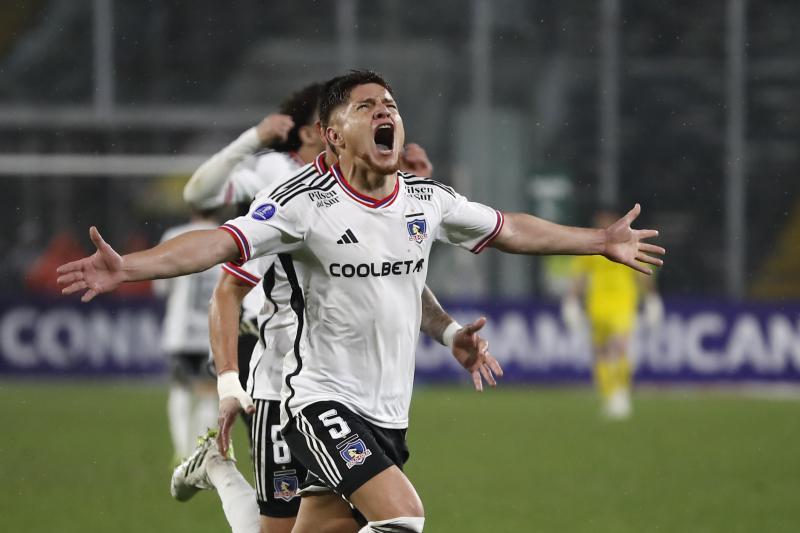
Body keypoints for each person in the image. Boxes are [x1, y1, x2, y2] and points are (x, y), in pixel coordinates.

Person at [57, 70, 665, 533]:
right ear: (332, 134)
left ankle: (216, 470)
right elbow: (219, 246)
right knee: (403, 518)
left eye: (392, 106)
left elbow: (509, 229)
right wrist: (130, 267)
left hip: (387, 412)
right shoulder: (301, 204)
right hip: (313, 400)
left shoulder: (426, 200)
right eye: (366, 107)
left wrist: (599, 242)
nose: (386, 114)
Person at [177, 83, 496, 533]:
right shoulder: (277, 179)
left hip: (350, 392)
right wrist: (230, 379)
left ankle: (216, 467)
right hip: (280, 378)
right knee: (290, 527)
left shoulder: (375, 183)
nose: (372, 119)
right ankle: (218, 468)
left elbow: (390, 275)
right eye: (358, 111)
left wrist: (446, 331)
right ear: (322, 132)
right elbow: (206, 214)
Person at [561, 205, 664, 419]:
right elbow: (579, 276)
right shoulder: (590, 244)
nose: (602, 223)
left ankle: (621, 392)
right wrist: (571, 301)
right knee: (600, 352)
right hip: (597, 305)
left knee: (619, 346)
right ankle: (609, 395)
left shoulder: (627, 242)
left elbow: (642, 272)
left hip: (623, 303)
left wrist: (652, 297)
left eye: (606, 219)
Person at [152, 208, 222, 463]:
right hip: (212, 331)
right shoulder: (227, 235)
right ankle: (200, 451)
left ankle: (181, 450)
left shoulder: (174, 235)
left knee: (180, 388)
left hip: (180, 331)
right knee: (207, 392)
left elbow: (160, 285)